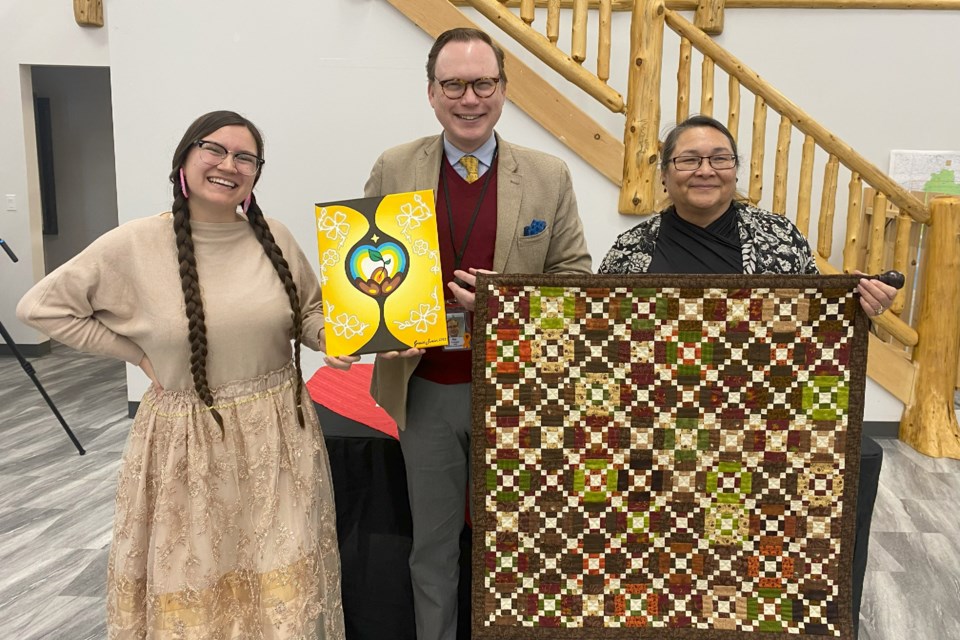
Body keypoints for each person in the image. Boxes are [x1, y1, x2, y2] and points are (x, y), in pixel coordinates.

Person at [17, 110, 354, 638]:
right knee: (197, 579)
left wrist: (333, 340)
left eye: (246, 157)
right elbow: (42, 308)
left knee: (282, 583)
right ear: (183, 160)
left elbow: (309, 312)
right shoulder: (134, 245)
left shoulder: (276, 239)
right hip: (187, 442)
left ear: (256, 175)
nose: (229, 164)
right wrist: (136, 354)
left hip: (279, 438)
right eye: (213, 149)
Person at [598, 114, 896, 636]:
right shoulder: (630, 253)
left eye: (719, 158)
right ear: (664, 175)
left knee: (853, 459)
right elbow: (603, 345)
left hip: (764, 419)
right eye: (688, 160)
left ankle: (794, 613)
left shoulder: (778, 237)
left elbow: (815, 326)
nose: (705, 170)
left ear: (736, 171)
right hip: (667, 423)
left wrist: (862, 305)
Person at [363, 28, 592, 640]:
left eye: (483, 83)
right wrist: (376, 326)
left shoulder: (548, 175)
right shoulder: (394, 166)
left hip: (520, 389)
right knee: (432, 547)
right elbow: (362, 268)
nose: (470, 98)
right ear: (432, 94)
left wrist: (504, 304)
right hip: (426, 387)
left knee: (521, 547)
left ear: (503, 91)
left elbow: (576, 282)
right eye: (455, 85)